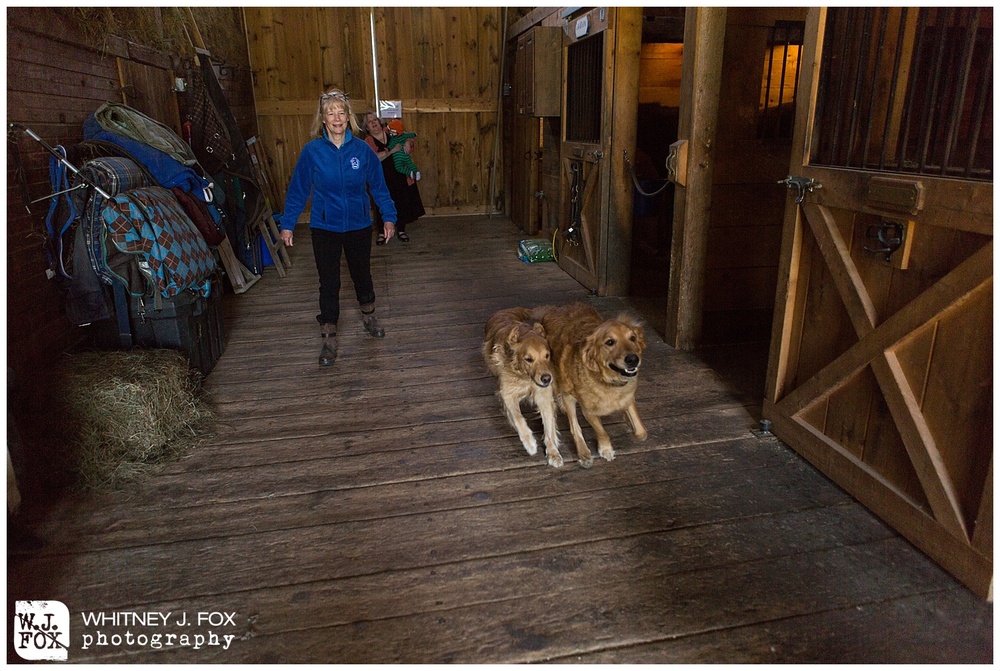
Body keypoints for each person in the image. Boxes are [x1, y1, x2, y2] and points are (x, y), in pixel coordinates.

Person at [280, 89, 397, 366]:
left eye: (341, 112)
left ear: (348, 117)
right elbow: (298, 190)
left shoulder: (361, 150)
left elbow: (379, 187)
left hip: (358, 223)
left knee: (362, 273)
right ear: (323, 118)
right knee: (328, 280)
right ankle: (329, 333)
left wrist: (389, 216)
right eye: (331, 112)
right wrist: (287, 224)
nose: (336, 118)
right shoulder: (312, 152)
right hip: (325, 226)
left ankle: (369, 316)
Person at [363, 111, 425, 244]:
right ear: (367, 127)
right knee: (381, 203)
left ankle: (401, 230)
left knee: (402, 201)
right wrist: (391, 151)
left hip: (399, 174)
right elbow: (373, 159)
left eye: (375, 119)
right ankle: (381, 232)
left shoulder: (390, 131)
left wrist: (408, 142)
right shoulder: (367, 141)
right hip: (381, 177)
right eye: (370, 121)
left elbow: (406, 136)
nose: (374, 123)